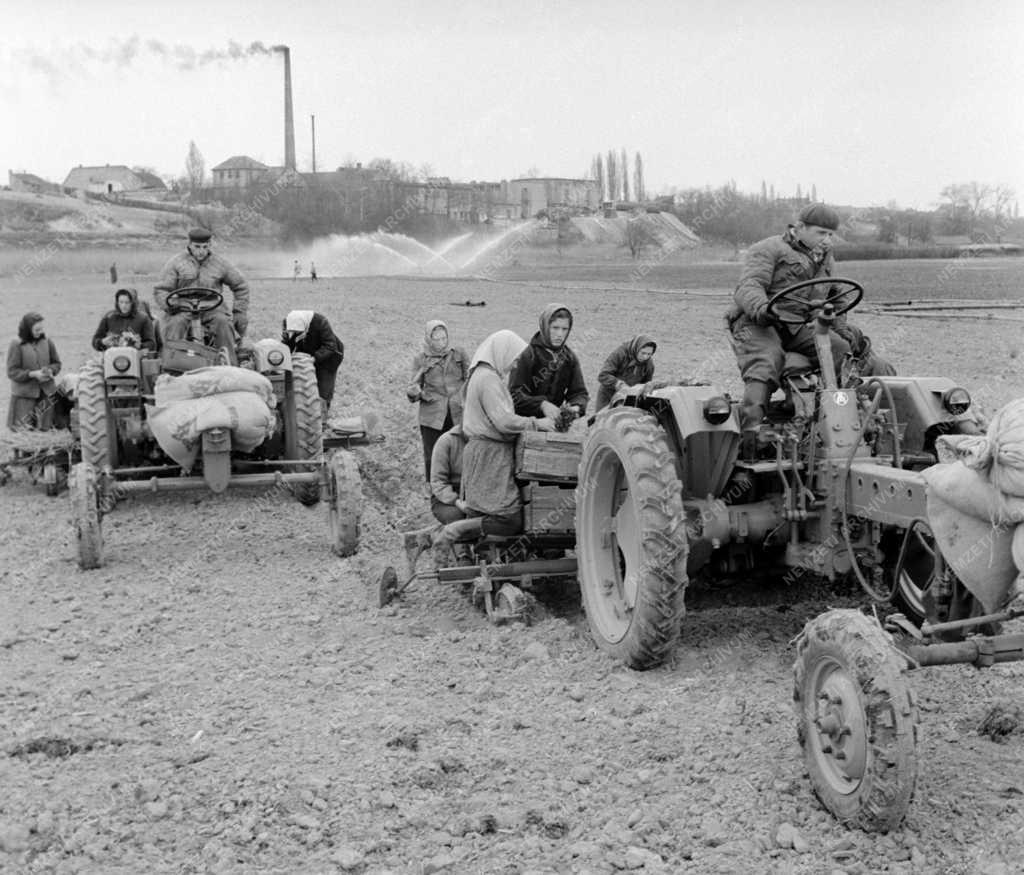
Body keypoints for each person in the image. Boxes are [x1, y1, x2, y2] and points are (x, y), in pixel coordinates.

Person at [726, 203, 895, 455]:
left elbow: (836, 294)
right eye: (820, 233)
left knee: (841, 350)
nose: (826, 240)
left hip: (797, 326)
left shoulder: (825, 257)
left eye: (830, 234)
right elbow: (749, 286)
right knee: (766, 362)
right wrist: (763, 308)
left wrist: (839, 324)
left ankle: (845, 420)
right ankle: (750, 437)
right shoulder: (767, 249)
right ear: (800, 227)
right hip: (759, 322)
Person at [434, 330, 555, 548]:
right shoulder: (488, 379)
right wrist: (536, 423)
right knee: (509, 519)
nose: (515, 364)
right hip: (490, 455)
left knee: (488, 513)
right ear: (503, 352)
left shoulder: (483, 376)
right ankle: (454, 530)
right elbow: (503, 421)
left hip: (487, 453)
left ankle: (459, 539)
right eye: (515, 358)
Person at [153, 228, 249, 365]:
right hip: (183, 307)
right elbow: (161, 289)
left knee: (224, 324)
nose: (201, 251)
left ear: (210, 245)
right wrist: (170, 305)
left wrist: (239, 311)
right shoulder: (176, 262)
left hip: (212, 306)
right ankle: (171, 366)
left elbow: (241, 286)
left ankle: (229, 365)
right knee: (175, 325)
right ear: (190, 245)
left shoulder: (220, 263)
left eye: (205, 247)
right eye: (197, 247)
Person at [406, 319, 469, 482]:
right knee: (433, 456)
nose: (441, 343)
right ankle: (436, 490)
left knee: (460, 453)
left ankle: (459, 490)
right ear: (429, 339)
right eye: (437, 339)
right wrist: (415, 393)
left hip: (457, 413)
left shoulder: (458, 353)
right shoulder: (421, 359)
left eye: (444, 338)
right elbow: (413, 390)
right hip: (433, 417)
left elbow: (470, 379)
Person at [509, 303, 589, 420]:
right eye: (555, 328)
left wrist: (575, 407)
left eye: (564, 329)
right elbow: (515, 396)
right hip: (524, 422)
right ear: (545, 327)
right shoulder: (527, 355)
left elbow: (579, 392)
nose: (560, 334)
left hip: (553, 423)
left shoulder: (569, 358)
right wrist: (542, 405)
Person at [281, 310, 345, 418]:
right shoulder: (288, 323)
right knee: (305, 385)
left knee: (323, 388)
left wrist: (314, 358)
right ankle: (306, 413)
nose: (295, 334)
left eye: (298, 332)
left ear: (305, 326)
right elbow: (288, 344)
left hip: (329, 357)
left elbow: (330, 345)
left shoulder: (320, 322)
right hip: (309, 354)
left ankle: (322, 418)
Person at [6, 313, 61, 430]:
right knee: (23, 432)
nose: (40, 332)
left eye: (41, 329)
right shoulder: (16, 344)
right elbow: (12, 372)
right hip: (24, 397)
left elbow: (57, 363)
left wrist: (51, 370)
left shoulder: (47, 341)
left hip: (46, 394)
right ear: (27, 329)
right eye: (36, 329)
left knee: (46, 430)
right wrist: (33, 374)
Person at [596, 335, 657, 411]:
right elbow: (603, 375)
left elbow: (645, 383)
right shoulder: (620, 354)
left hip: (628, 397)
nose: (645, 357)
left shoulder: (648, 364)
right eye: (643, 353)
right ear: (637, 349)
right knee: (602, 420)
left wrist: (647, 388)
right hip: (608, 394)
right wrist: (619, 384)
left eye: (649, 354)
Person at [91, 288, 156, 352]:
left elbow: (152, 344)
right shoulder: (109, 317)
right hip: (112, 356)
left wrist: (140, 345)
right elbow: (95, 341)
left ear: (133, 303)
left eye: (127, 302)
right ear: (117, 302)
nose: (123, 306)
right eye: (121, 302)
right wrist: (102, 342)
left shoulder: (143, 318)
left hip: (135, 357)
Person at [430, 424, 467, 524]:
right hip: (449, 497)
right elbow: (438, 482)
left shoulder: (489, 440)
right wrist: (457, 501)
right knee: (455, 517)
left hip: (479, 495)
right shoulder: (447, 441)